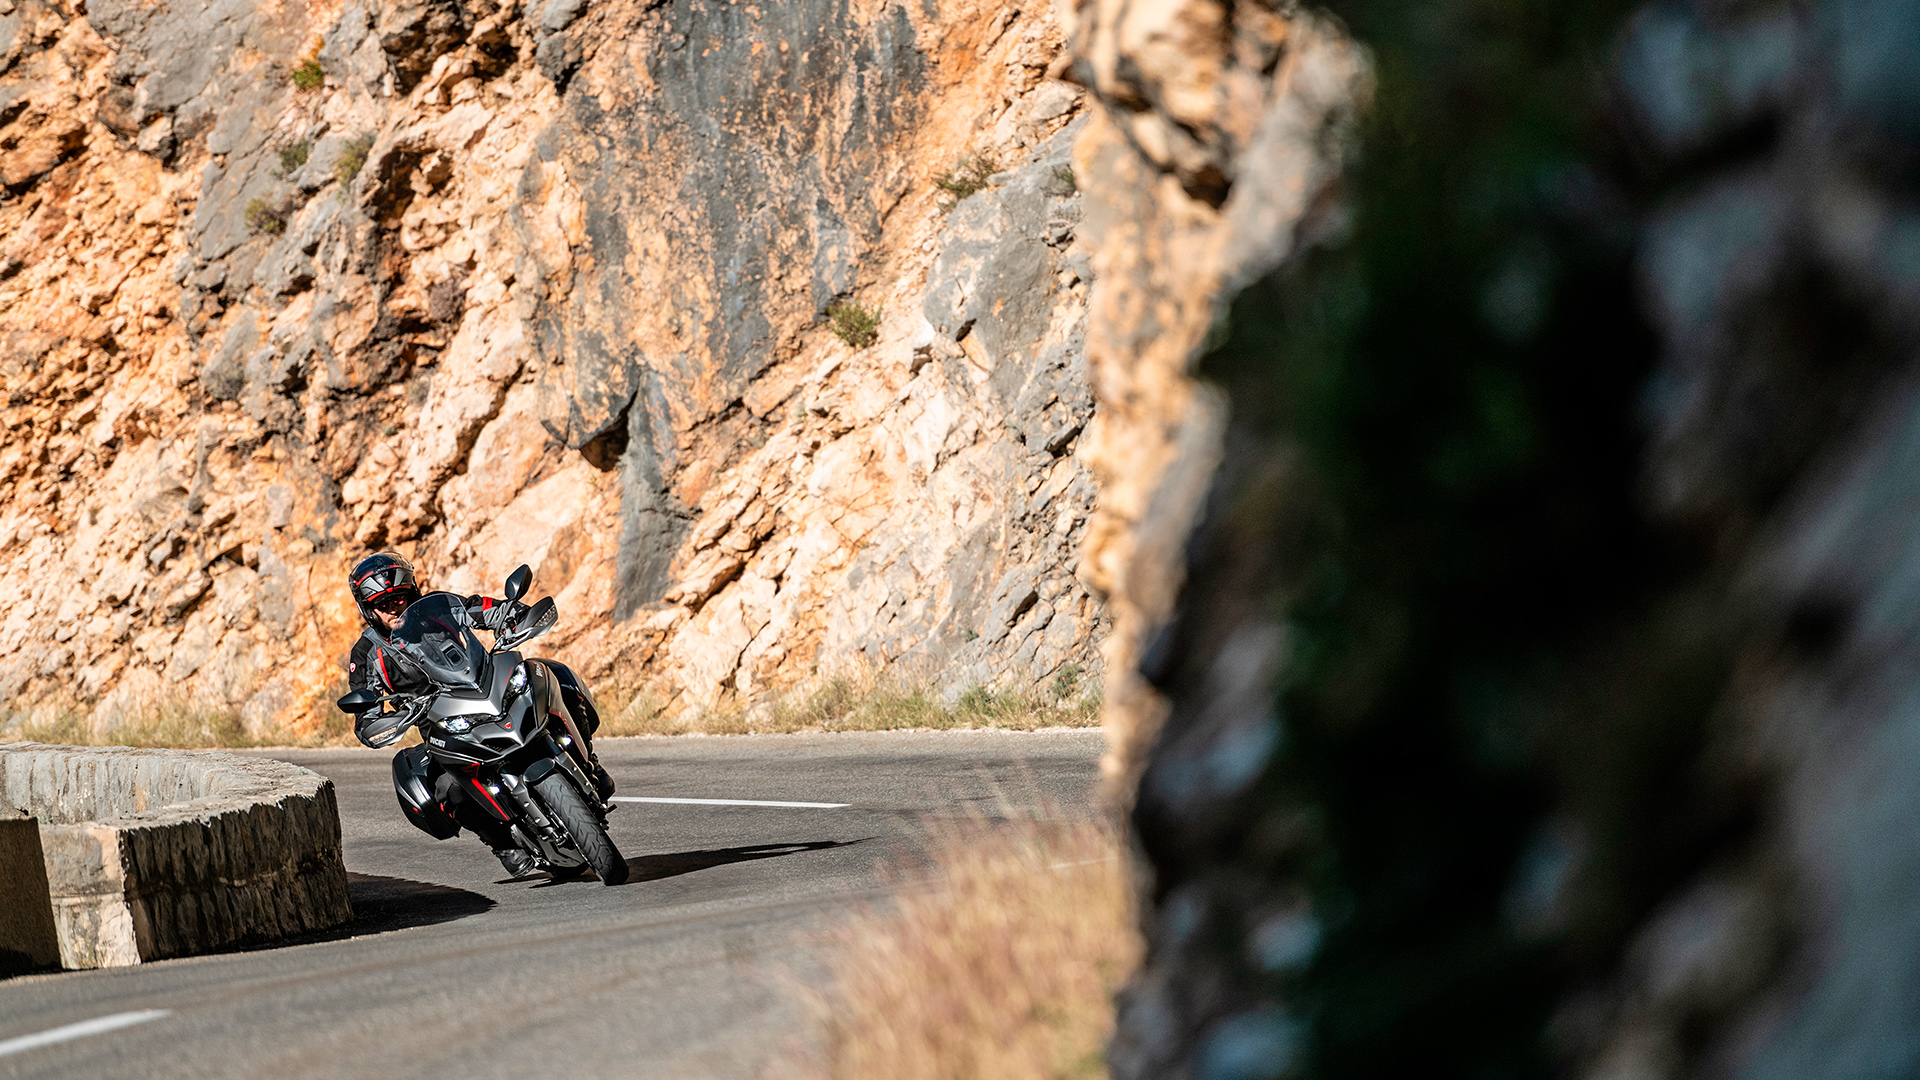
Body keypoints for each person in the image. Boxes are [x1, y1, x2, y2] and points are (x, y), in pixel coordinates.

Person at [346, 551, 611, 878]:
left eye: (399, 598)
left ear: (412, 592)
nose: (394, 608)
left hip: (488, 689)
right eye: (383, 604)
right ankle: (502, 842)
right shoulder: (367, 653)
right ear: (368, 609)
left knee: (553, 676)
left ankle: (589, 762)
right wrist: (378, 720)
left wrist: (512, 614)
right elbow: (366, 710)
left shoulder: (439, 608)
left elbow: (483, 609)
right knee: (448, 788)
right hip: (443, 725)